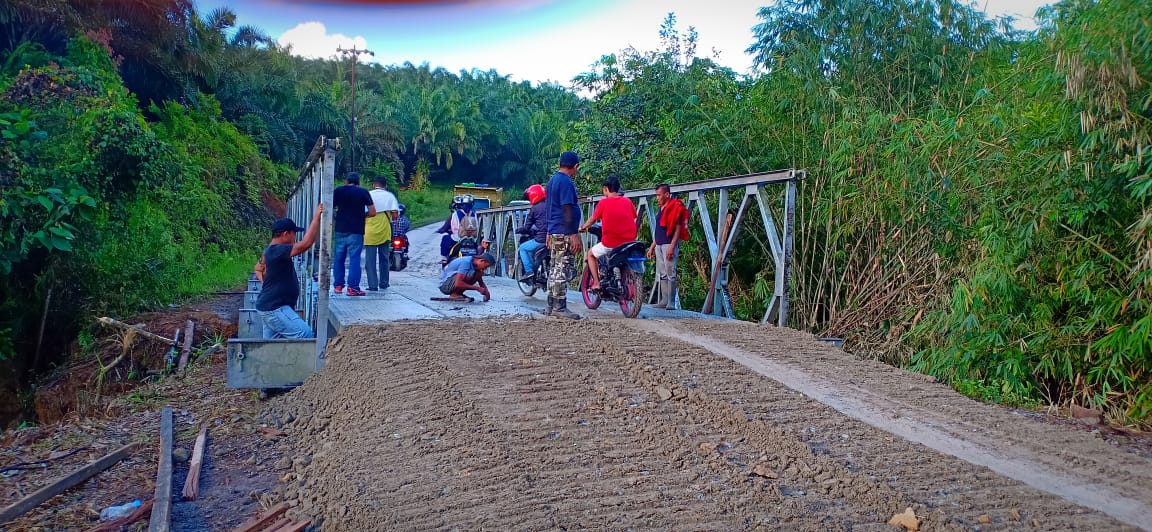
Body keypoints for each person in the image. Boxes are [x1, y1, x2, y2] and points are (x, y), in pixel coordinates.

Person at [254, 205, 324, 338]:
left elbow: (257, 268)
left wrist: (268, 283)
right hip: (275, 308)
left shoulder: (270, 251)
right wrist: (317, 217)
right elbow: (305, 244)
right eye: (294, 235)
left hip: (268, 307)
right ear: (286, 234)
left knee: (273, 347)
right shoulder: (278, 250)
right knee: (305, 334)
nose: (294, 239)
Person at [542, 151, 582, 319]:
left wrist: (548, 231)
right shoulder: (566, 182)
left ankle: (551, 304)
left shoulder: (552, 181)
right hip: (564, 231)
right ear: (575, 166)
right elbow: (566, 209)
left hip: (555, 230)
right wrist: (573, 233)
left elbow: (550, 207)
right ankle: (560, 306)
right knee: (562, 268)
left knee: (554, 268)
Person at [579, 175, 637, 290]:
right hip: (629, 242)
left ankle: (596, 283)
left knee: (590, 254)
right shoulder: (628, 201)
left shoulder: (603, 203)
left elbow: (593, 220)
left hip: (611, 243)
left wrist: (583, 227)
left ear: (606, 189)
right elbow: (634, 217)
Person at [331, 172, 376, 296]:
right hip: (356, 230)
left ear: (346, 181)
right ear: (358, 182)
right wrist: (362, 216)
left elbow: (329, 208)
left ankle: (338, 286)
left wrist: (336, 217)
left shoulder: (338, 191)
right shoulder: (363, 192)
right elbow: (372, 212)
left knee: (339, 258)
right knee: (354, 259)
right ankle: (353, 288)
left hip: (340, 229)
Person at [647, 183, 690, 309]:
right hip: (659, 244)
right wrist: (652, 246)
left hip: (668, 244)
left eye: (659, 195)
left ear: (667, 194)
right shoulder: (661, 208)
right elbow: (658, 230)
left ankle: (671, 302)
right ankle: (664, 300)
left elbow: (678, 228)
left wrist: (672, 246)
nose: (657, 198)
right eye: (656, 195)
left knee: (671, 272)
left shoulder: (674, 207)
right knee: (662, 272)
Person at [364, 177, 399, 291]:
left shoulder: (368, 194)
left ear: (374, 185)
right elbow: (395, 216)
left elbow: (363, 212)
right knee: (384, 259)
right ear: (386, 185)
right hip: (385, 231)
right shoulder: (390, 196)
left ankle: (372, 285)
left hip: (369, 231)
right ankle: (384, 283)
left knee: (370, 260)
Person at [516, 184, 547, 278]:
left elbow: (527, 227)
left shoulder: (534, 209)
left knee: (522, 248)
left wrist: (520, 229)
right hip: (554, 237)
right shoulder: (550, 205)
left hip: (541, 239)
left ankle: (529, 271)